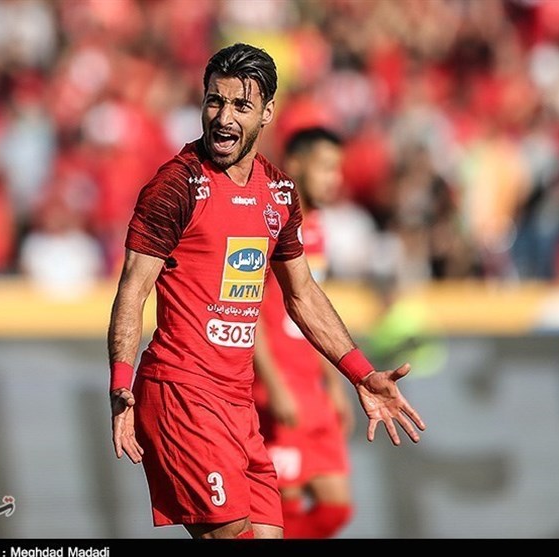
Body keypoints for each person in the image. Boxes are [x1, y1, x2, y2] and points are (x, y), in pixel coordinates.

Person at [106, 43, 426, 540]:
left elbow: (303, 294)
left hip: (239, 405)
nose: (223, 118)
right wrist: (121, 381)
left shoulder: (278, 193)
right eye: (215, 101)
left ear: (267, 112)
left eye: (240, 105)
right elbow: (133, 289)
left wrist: (360, 374)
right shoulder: (177, 185)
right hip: (182, 393)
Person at [252, 127, 355, 538]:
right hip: (277, 386)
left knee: (335, 511)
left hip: (312, 386)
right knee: (283, 509)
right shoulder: (267, 224)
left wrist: (335, 383)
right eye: (326, 168)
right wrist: (274, 385)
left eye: (338, 169)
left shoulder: (316, 229)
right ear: (296, 164)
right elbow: (249, 312)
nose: (335, 179)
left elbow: (312, 316)